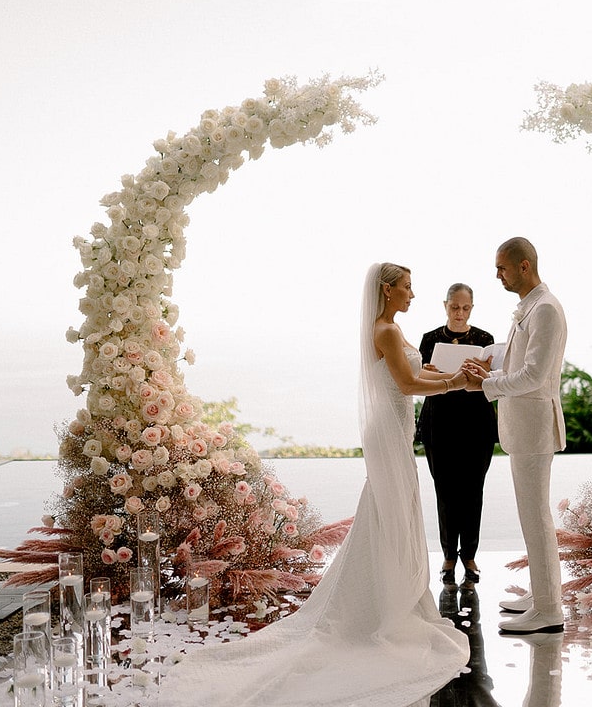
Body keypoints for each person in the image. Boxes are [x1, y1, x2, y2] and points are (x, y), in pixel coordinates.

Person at [162, 263, 470, 707]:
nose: (413, 294)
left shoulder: (393, 329)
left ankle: (394, 591)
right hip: (389, 426)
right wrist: (457, 382)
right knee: (389, 505)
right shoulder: (383, 331)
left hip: (399, 426)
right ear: (387, 290)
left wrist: (458, 380)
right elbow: (406, 383)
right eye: (407, 287)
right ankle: (383, 605)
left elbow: (422, 377)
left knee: (393, 506)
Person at [462, 237, 567, 636]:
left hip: (535, 428)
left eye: (502, 268)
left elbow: (535, 375)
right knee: (532, 517)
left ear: (524, 266)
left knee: (537, 518)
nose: (497, 275)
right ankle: (542, 596)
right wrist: (492, 359)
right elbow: (521, 358)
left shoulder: (545, 310)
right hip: (524, 427)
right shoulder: (533, 307)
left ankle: (549, 610)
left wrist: (485, 383)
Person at [417, 283, 498, 586]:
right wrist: (438, 373)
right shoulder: (429, 339)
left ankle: (470, 555)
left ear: (472, 308)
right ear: (445, 306)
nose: (460, 313)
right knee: (445, 492)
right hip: (439, 424)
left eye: (465, 308)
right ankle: (448, 555)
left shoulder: (485, 340)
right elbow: (419, 376)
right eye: (455, 307)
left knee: (473, 490)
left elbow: (491, 380)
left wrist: (478, 372)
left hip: (477, 424)